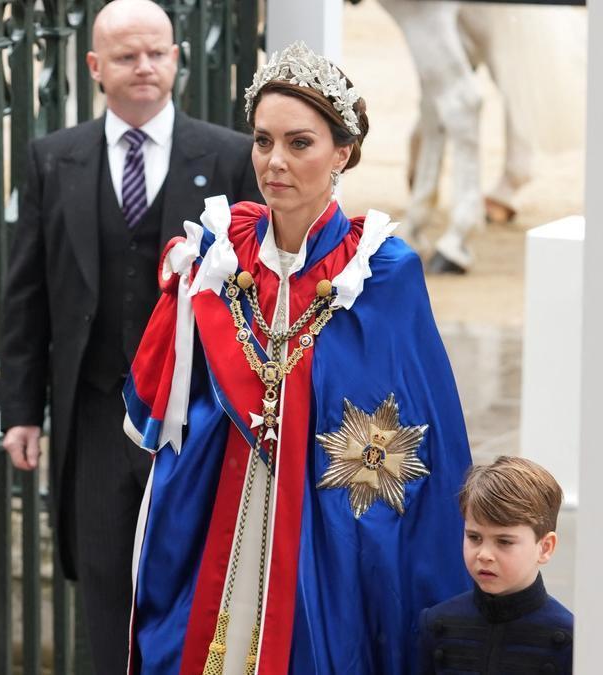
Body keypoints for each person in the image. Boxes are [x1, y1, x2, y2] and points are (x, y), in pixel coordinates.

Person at [122, 41, 473, 673]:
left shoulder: (383, 273)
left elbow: (415, 438)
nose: (274, 161)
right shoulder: (220, 256)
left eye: (299, 143)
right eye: (262, 141)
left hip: (328, 526)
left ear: (342, 153)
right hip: (217, 512)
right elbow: (170, 398)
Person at [0, 0, 261, 669]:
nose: (144, 67)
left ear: (176, 58)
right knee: (107, 583)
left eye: (156, 53)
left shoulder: (230, 157)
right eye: (126, 56)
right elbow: (27, 293)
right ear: (95, 67)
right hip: (94, 414)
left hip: (197, 418)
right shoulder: (53, 159)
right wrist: (24, 411)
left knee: (196, 582)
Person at [418, 456, 573, 673]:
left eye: (504, 541)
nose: (484, 555)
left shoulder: (570, 638)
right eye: (474, 537)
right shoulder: (436, 624)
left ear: (545, 547)